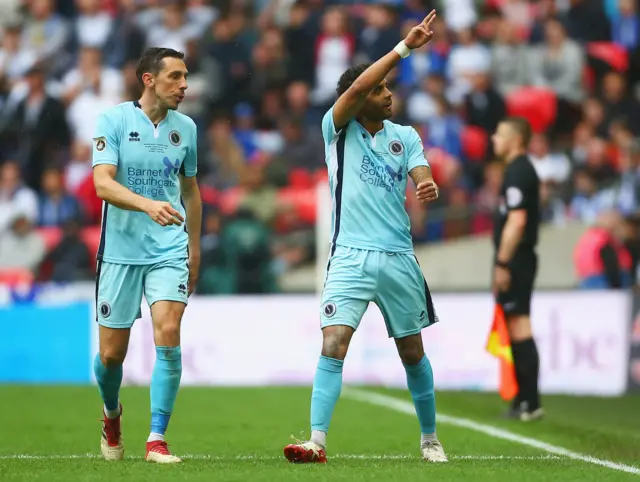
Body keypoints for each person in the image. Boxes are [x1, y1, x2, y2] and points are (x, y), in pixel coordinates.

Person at [283, 11, 445, 464]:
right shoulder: (336, 131)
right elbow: (354, 90)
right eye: (380, 89)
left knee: (412, 352)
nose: (388, 93)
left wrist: (424, 181)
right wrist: (403, 49)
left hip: (397, 257)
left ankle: (430, 438)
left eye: (388, 87)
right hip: (349, 256)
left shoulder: (405, 135)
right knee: (333, 342)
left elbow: (419, 167)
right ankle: (316, 440)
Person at [91, 47, 202, 464]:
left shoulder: (186, 128)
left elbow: (191, 190)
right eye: (175, 76)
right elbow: (102, 184)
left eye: (186, 76)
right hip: (119, 253)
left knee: (168, 332)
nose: (184, 85)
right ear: (149, 79)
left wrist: (195, 245)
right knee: (110, 357)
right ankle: (112, 413)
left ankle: (156, 438)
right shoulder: (113, 121)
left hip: (169, 249)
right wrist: (147, 204)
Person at [491, 117, 543, 422]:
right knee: (513, 325)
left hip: (517, 258)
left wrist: (502, 262)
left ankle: (529, 402)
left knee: (520, 324)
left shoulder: (519, 171)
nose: (494, 139)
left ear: (516, 140)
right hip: (517, 257)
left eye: (499, 134)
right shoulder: (516, 170)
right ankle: (523, 401)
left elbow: (518, 220)